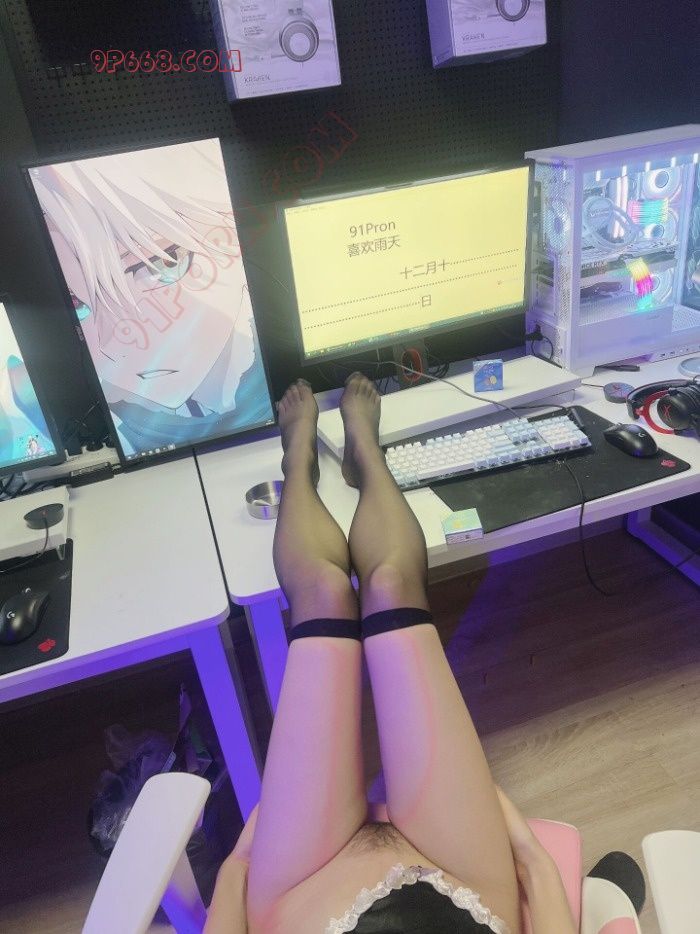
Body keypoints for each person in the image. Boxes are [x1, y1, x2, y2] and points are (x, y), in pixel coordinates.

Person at [204, 373, 577, 934]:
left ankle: (298, 460)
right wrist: (530, 858)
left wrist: (237, 868)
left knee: (324, 593)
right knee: (392, 585)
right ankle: (366, 456)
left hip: (302, 895)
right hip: (468, 890)